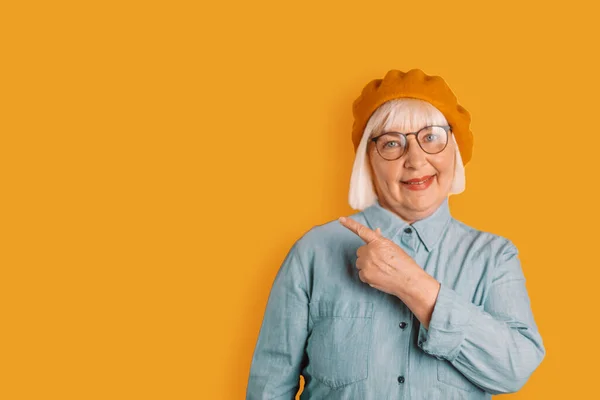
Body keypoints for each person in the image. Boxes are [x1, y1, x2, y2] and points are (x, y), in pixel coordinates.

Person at [245, 69, 545, 399]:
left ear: (454, 151)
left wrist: (413, 284)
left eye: (431, 137)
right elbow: (269, 387)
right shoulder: (314, 251)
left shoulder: (494, 256)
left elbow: (514, 370)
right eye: (391, 143)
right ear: (369, 160)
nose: (415, 160)